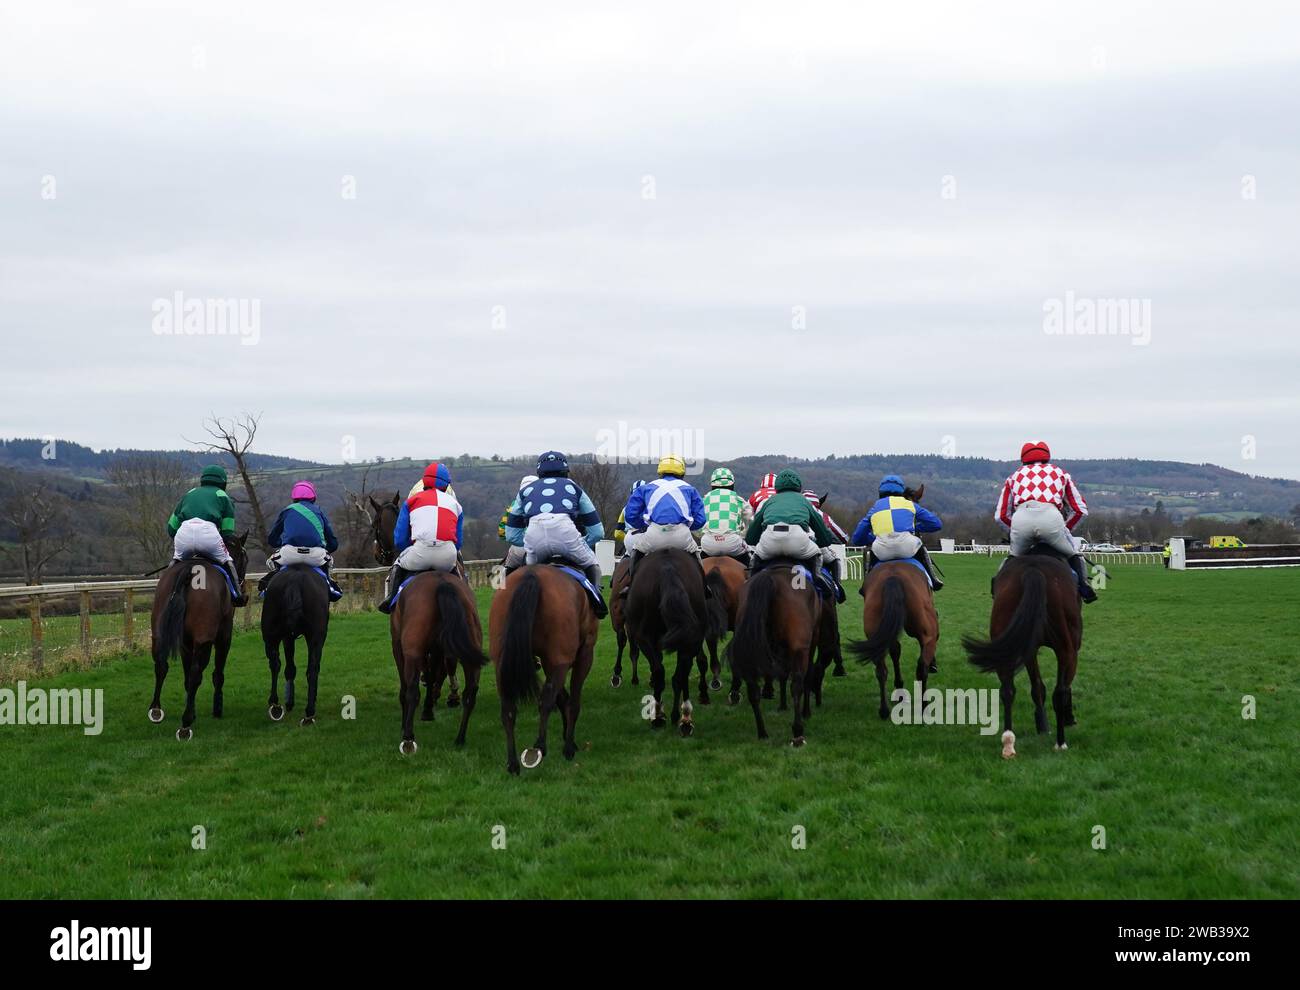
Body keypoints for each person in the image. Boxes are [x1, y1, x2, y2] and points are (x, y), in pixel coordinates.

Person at [504, 451, 607, 617]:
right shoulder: (572, 486)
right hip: (566, 534)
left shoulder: (525, 492)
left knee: (516, 569)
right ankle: (597, 601)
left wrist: (528, 543)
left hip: (533, 537)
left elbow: (510, 535)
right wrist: (582, 543)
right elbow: (597, 532)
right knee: (592, 563)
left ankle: (504, 594)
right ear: (565, 471)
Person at [993, 441, 1096, 603]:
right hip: (1051, 519)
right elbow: (1080, 510)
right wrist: (1065, 529)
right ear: (1047, 456)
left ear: (1023, 457)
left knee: (1012, 558)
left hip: (1021, 520)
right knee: (1074, 553)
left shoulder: (1013, 477)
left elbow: (1001, 516)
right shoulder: (1061, 473)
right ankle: (1084, 587)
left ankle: (996, 587)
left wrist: (1014, 532)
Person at [379, 461, 465, 613]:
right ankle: (466, 596)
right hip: (447, 557)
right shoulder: (456, 505)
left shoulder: (411, 501)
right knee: (459, 573)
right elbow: (458, 543)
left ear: (425, 481)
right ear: (446, 486)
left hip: (419, 554)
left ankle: (390, 600)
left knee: (397, 565)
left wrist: (410, 548)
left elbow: (399, 540)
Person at [620, 455, 708, 592]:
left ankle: (630, 586)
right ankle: (704, 587)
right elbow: (701, 520)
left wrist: (643, 525)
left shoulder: (646, 488)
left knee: (636, 551)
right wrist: (688, 526)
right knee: (696, 555)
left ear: (660, 471)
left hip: (655, 534)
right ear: (682, 472)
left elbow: (630, 515)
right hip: (681, 535)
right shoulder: (691, 489)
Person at [166, 463, 248, 606]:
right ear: (223, 482)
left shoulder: (189, 493)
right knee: (227, 561)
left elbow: (171, 528)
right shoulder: (222, 495)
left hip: (183, 533)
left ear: (202, 479)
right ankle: (237, 595)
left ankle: (165, 591)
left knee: (176, 561)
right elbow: (228, 533)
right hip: (209, 535)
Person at [851, 475, 944, 591]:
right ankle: (933, 578)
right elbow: (936, 524)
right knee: (921, 547)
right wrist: (915, 528)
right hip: (907, 548)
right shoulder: (910, 504)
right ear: (901, 491)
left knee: (870, 553)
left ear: (881, 491)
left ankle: (866, 585)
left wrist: (873, 538)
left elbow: (857, 538)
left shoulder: (875, 508)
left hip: (882, 551)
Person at [744, 469, 836, 586]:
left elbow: (751, 536)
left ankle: (750, 583)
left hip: (770, 540)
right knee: (817, 554)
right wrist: (823, 541)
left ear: (777, 486)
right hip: (797, 540)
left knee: (755, 558)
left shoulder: (769, 501)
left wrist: (754, 541)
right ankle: (819, 578)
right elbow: (821, 530)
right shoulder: (804, 501)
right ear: (798, 486)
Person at [259, 481, 342, 600]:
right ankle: (331, 587)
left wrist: (281, 544)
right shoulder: (319, 511)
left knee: (271, 562)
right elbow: (333, 543)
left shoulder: (287, 510)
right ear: (313, 497)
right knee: (329, 563)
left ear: (294, 497)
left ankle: (268, 587)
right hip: (315, 556)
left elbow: (272, 539)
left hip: (289, 554)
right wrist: (325, 548)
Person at [700, 467, 753, 564]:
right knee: (749, 558)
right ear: (732, 483)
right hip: (732, 543)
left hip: (709, 543)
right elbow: (749, 520)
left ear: (712, 483)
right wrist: (743, 534)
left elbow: (698, 522)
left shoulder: (704, 500)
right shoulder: (739, 500)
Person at [804, 488, 849, 601]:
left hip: (792, 547)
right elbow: (843, 538)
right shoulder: (822, 516)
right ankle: (837, 587)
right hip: (817, 550)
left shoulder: (793, 511)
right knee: (835, 560)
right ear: (817, 504)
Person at [500, 474, 538, 575]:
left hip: (520, 548)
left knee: (501, 574)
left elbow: (502, 532)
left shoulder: (514, 505)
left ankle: (499, 588)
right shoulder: (546, 501)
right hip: (546, 544)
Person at [612, 479, 646, 557]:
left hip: (630, 540)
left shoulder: (625, 509)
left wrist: (627, 537)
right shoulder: (652, 506)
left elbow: (617, 533)